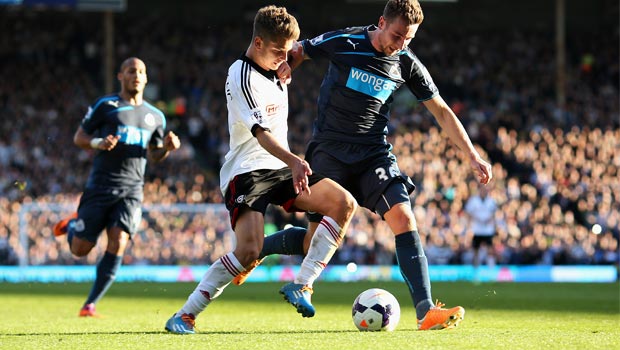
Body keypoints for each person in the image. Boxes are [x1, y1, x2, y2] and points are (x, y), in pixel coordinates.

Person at [238, 0, 493, 331]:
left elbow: (441, 111)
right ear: (382, 22)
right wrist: (288, 66)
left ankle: (425, 310)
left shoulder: (406, 64)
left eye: (409, 39)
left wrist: (472, 155)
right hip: (329, 152)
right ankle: (261, 249)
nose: (401, 44)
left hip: (373, 154)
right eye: (398, 35)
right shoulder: (347, 42)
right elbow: (299, 49)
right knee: (309, 244)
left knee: (403, 216)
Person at [164, 5, 356, 334]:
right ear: (257, 43)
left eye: (288, 52)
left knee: (343, 203)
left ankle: (303, 284)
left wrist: (291, 60)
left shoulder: (278, 67)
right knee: (248, 251)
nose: (286, 58)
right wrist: (295, 160)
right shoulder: (240, 74)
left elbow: (302, 49)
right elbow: (260, 133)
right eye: (279, 51)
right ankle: (185, 314)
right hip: (248, 171)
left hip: (279, 166)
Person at [53, 57, 182, 317]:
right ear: (120, 76)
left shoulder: (155, 116)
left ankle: (90, 304)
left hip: (132, 189)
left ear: (146, 78)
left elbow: (154, 154)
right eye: (131, 71)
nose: (136, 75)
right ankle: (71, 226)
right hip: (100, 186)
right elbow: (79, 137)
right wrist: (98, 143)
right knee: (80, 249)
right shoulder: (106, 105)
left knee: (119, 240)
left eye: (141, 71)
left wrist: (166, 149)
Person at [464, 184, 497, 270]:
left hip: (487, 230)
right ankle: (476, 272)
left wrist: (491, 222)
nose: (484, 191)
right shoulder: (473, 201)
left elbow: (494, 214)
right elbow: (468, 213)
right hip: (477, 230)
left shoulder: (491, 201)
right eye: (483, 189)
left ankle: (491, 270)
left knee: (490, 250)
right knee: (476, 251)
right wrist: (470, 226)